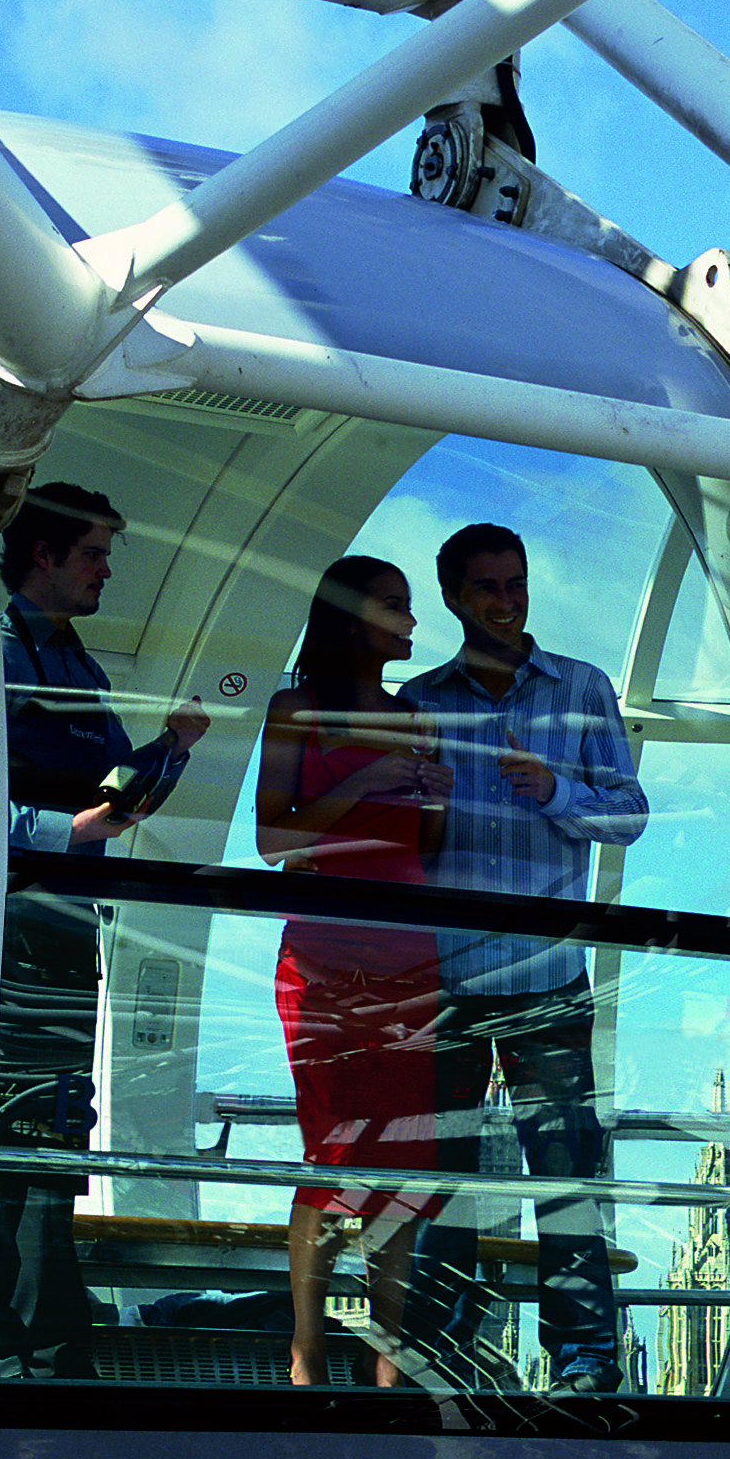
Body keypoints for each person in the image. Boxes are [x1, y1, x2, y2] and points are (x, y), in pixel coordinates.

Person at [0, 479, 211, 1380]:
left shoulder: (81, 666)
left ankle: (50, 1331)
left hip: (62, 927)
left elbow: (109, 796)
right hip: (5, 921)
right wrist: (63, 832)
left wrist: (168, 753)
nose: (107, 569)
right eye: (95, 552)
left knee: (56, 1119)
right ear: (44, 555)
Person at [395, 523, 646, 1394]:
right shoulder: (420, 702)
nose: (508, 600)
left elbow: (628, 813)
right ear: (455, 598)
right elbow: (400, 846)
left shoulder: (582, 690)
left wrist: (557, 791)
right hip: (450, 979)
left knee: (567, 1177)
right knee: (445, 1177)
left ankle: (584, 1365)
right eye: (489, 587)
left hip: (545, 979)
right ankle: (442, 1350)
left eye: (518, 582)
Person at [260, 553, 450, 1387]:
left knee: (404, 1159)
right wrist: (371, 776)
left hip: (411, 960)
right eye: (395, 606)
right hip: (325, 958)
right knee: (329, 1152)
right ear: (350, 615)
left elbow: (425, 852)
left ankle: (388, 1356)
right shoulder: (295, 708)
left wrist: (433, 799)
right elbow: (278, 842)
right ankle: (307, 1352)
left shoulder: (420, 719)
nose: (411, 622)